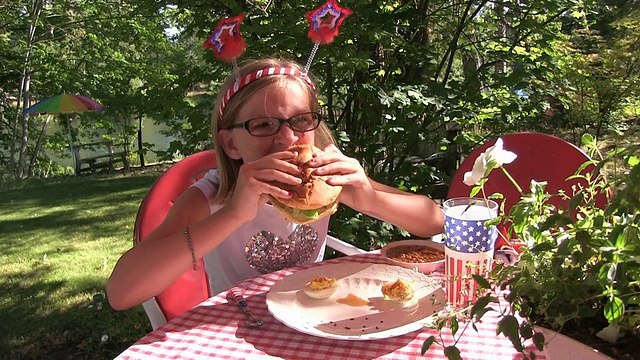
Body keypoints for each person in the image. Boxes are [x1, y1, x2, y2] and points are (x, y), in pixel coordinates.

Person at [106, 57, 444, 311]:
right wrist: (234, 214)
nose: (287, 137)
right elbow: (122, 293)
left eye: (301, 120)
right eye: (263, 125)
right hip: (241, 326)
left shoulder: (326, 180)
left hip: (316, 313)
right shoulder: (210, 198)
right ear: (231, 144)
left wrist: (370, 199)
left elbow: (434, 219)